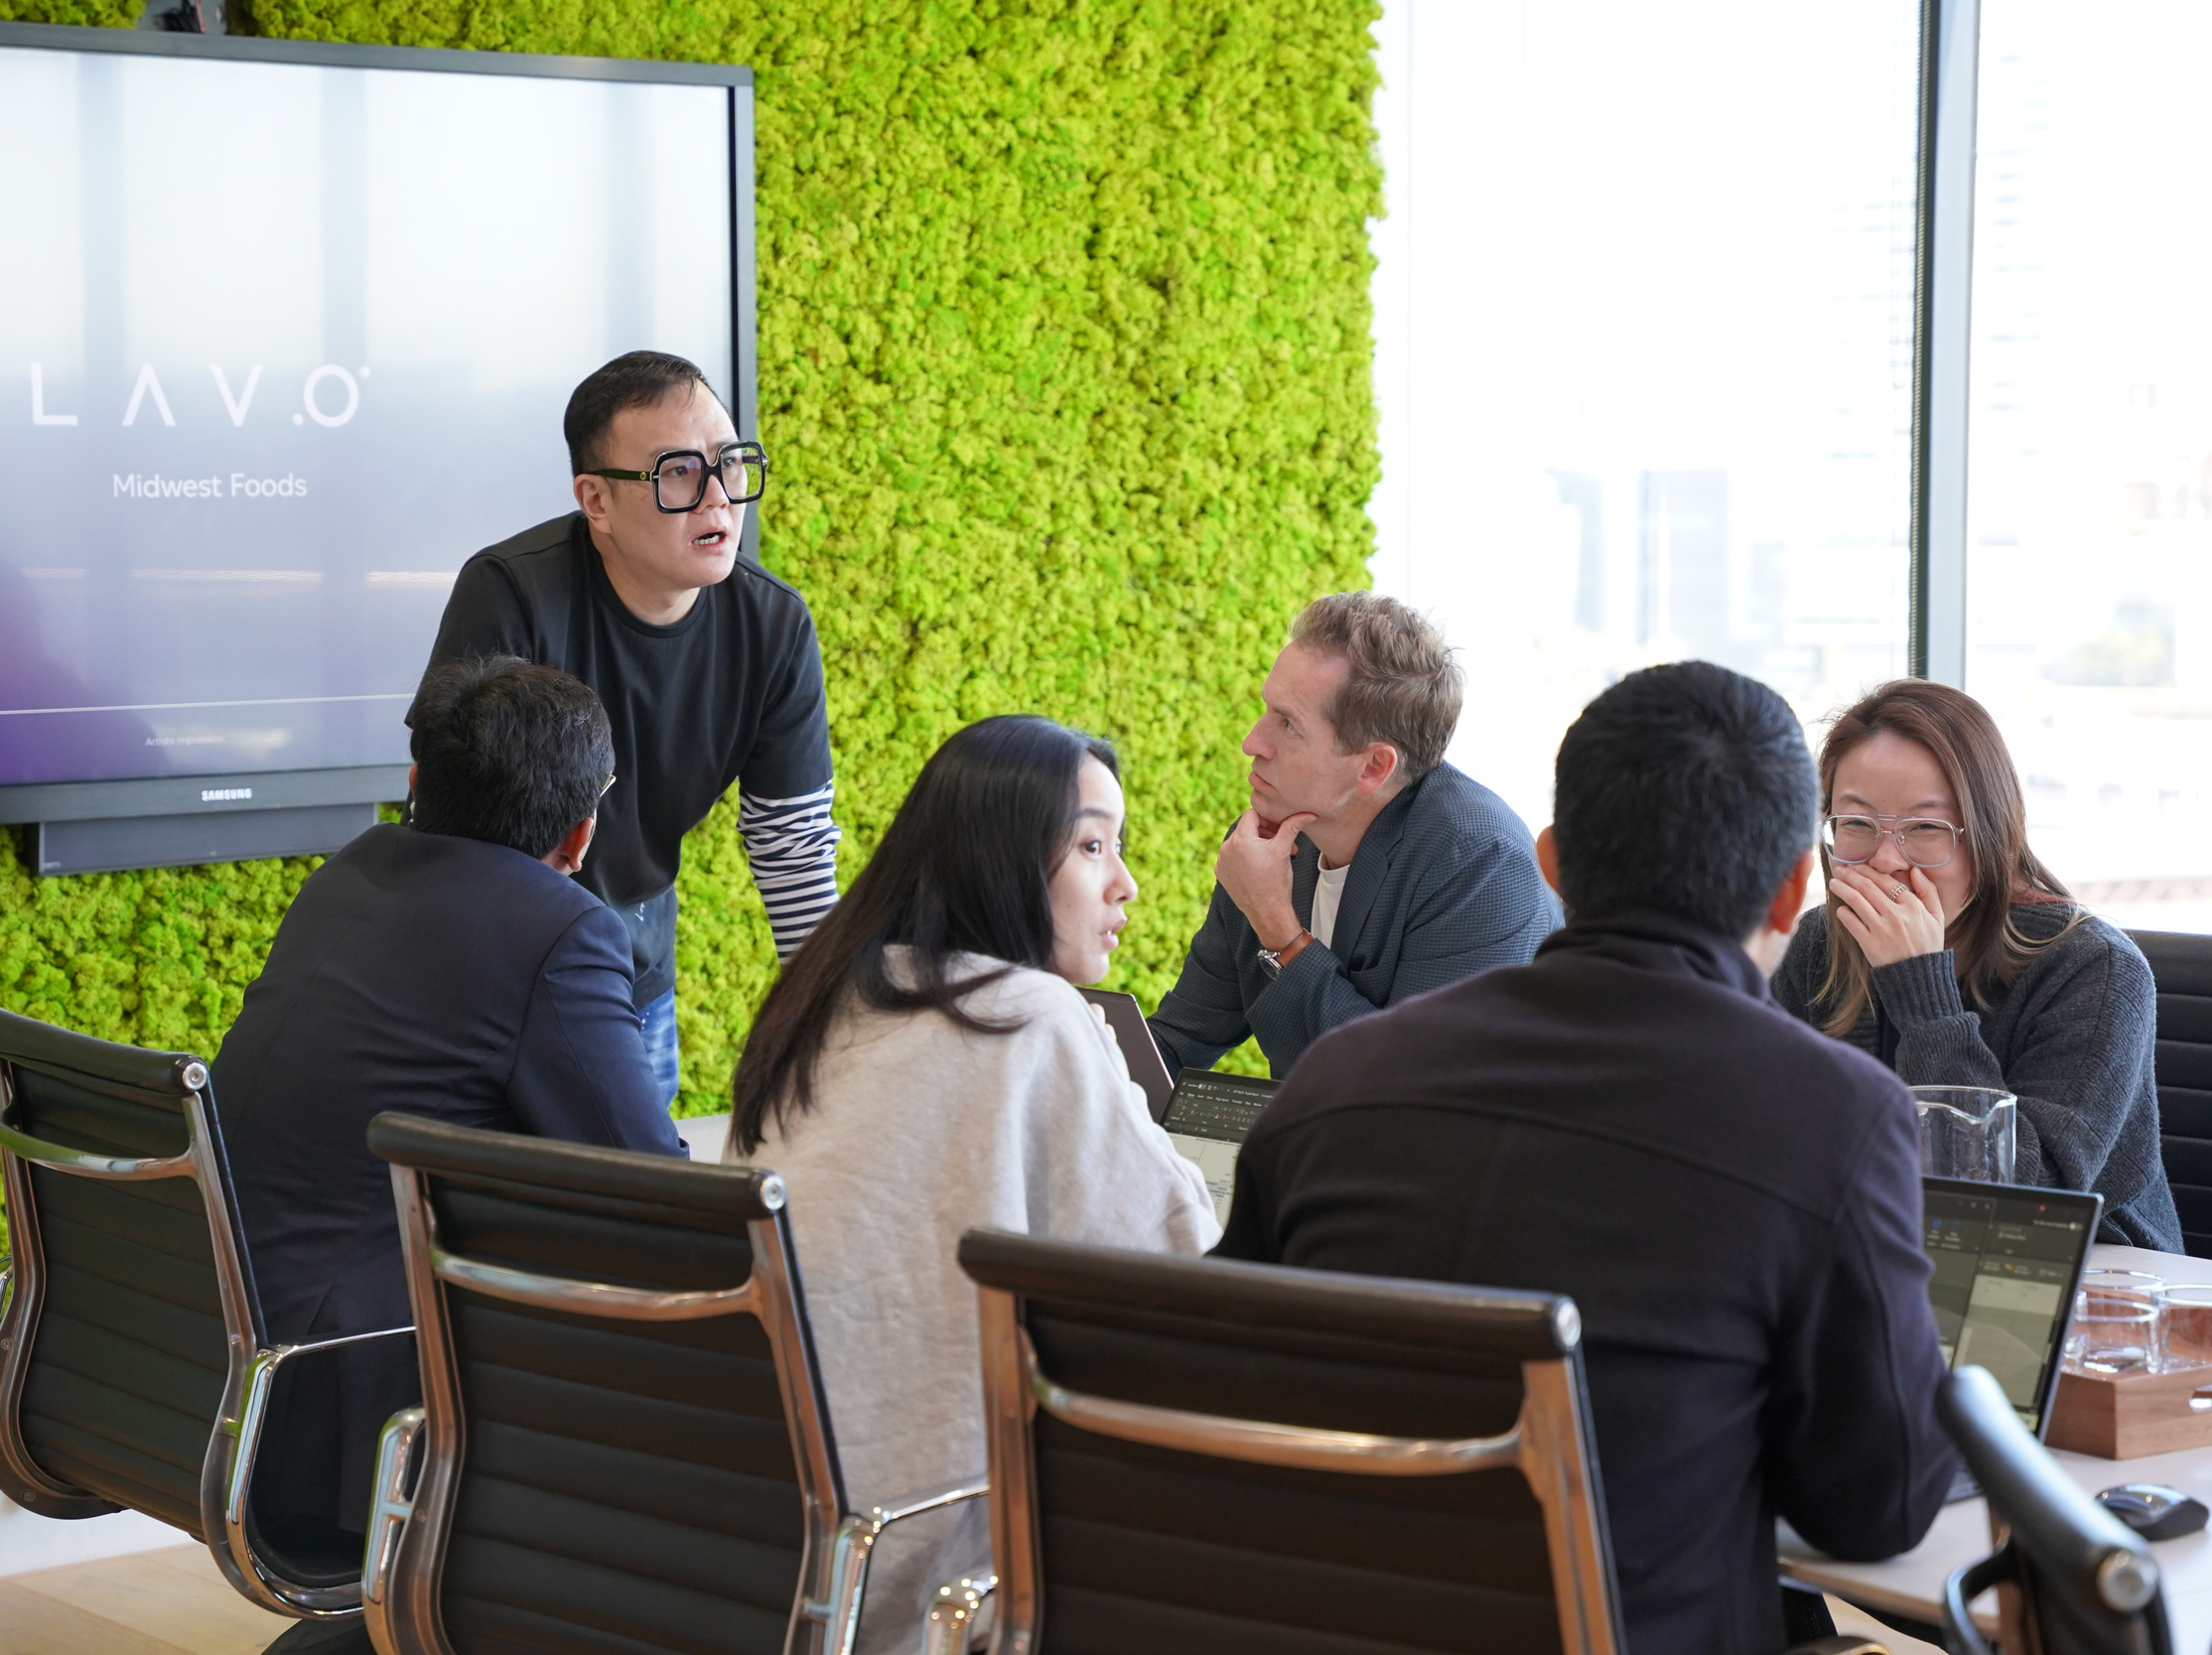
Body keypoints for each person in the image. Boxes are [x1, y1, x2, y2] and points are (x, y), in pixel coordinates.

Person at [1214, 662, 1954, 1655]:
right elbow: (1875, 1508)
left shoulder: (1334, 1080)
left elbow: (1229, 1398)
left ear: (1552, 861)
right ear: (1790, 888)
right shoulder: (1836, 1114)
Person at [726, 715, 1220, 1655]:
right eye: (1091, 845)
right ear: (1003, 856)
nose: (1125, 885)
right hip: (940, 1574)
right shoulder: (1033, 1019)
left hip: (774, 1551)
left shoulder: (821, 1002)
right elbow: (1192, 1278)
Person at [218, 654, 682, 1587]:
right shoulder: (560, 929)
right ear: (583, 831)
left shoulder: (348, 875)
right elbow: (651, 1189)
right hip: (354, 1392)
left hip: (222, 1349)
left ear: (418, 782)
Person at [420, 349, 839, 1102]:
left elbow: (794, 850)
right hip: (485, 982)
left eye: (731, 463)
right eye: (677, 472)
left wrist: (839, 1024)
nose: (719, 497)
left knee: (637, 1202)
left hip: (633, 982)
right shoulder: (511, 595)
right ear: (597, 500)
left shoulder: (772, 625)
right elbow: (456, 830)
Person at [1772, 678, 2180, 1249]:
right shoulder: (1819, 946)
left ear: (1989, 833)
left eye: (1926, 829)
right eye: (1858, 824)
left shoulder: (2097, 969)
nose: (1887, 860)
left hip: (2091, 1281)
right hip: (1876, 1257)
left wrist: (1919, 986)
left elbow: (2024, 1204)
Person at [1147, 592, 1558, 1078]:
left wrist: (1278, 929)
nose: (1252, 743)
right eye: (1266, 711)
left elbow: (1406, 1093)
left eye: (1289, 725)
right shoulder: (1267, 845)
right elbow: (1179, 1041)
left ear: (1373, 767)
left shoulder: (1480, 864)